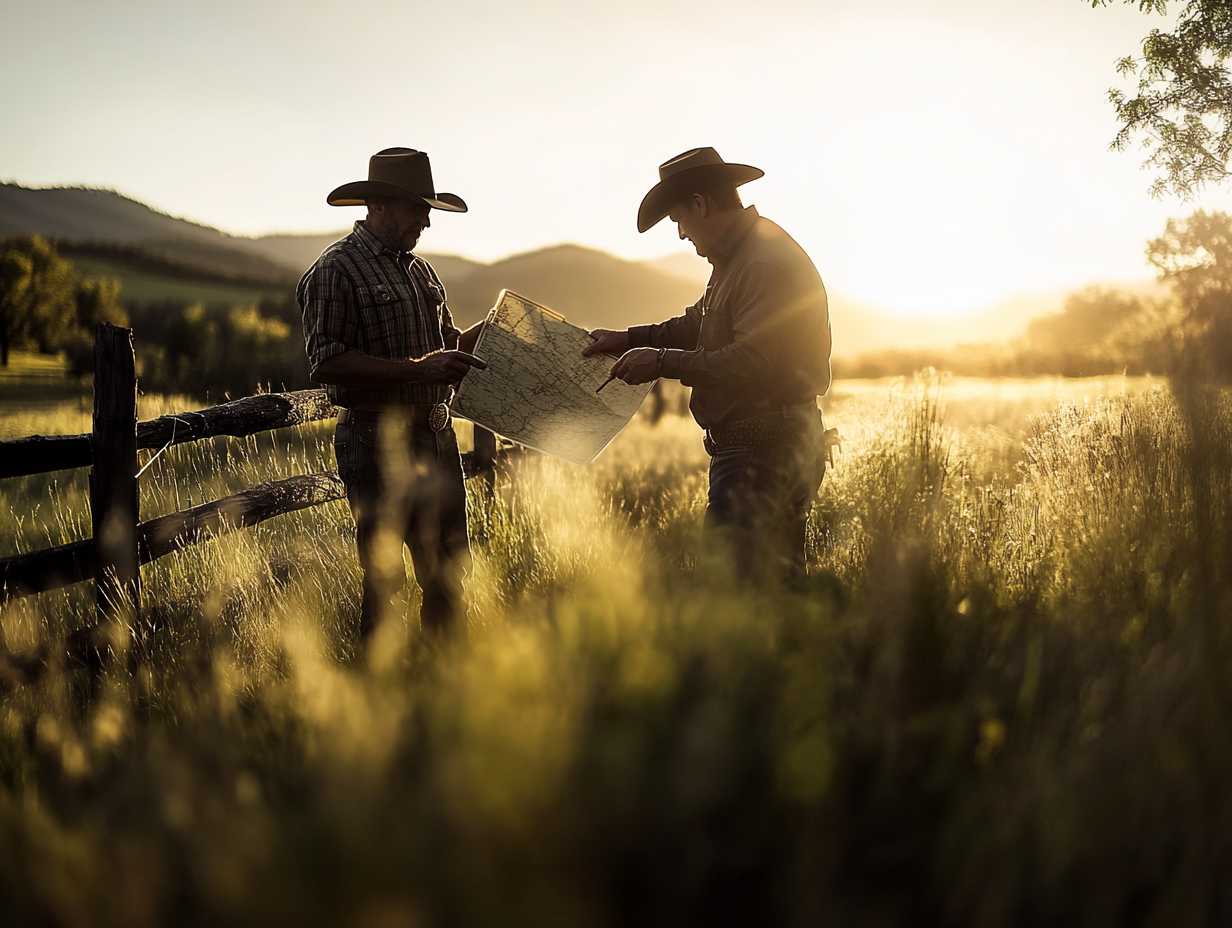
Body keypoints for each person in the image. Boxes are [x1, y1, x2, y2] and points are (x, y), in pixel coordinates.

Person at [584, 147, 832, 579]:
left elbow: (752, 360)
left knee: (730, 596)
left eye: (679, 220)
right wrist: (627, 339)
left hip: (763, 450)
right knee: (775, 593)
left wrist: (660, 362)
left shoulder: (760, 263)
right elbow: (697, 323)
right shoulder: (742, 254)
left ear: (700, 204)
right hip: (771, 445)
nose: (680, 234)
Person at [297, 148, 486, 640]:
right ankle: (380, 696)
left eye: (427, 208)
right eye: (415, 208)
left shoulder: (421, 271)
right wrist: (417, 371)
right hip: (375, 439)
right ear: (378, 204)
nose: (425, 220)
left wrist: (490, 336)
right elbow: (327, 361)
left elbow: (445, 345)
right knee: (386, 580)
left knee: (448, 567)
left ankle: (445, 682)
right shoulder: (335, 270)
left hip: (436, 437)